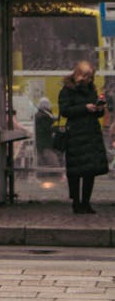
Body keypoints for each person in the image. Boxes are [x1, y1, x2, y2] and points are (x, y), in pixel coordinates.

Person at [58, 60, 108, 214]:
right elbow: (65, 111)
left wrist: (99, 108)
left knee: (89, 170)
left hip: (91, 133)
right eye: (88, 77)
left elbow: (97, 112)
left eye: (92, 77)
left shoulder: (91, 89)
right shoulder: (67, 90)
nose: (91, 80)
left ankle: (86, 202)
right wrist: (84, 108)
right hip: (76, 134)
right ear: (80, 75)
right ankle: (76, 202)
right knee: (75, 171)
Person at [34, 96, 62, 170]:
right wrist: (58, 129)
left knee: (41, 157)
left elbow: (50, 119)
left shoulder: (40, 114)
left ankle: (42, 173)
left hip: (40, 141)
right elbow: (47, 128)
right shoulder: (43, 116)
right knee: (51, 157)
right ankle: (59, 172)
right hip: (45, 141)